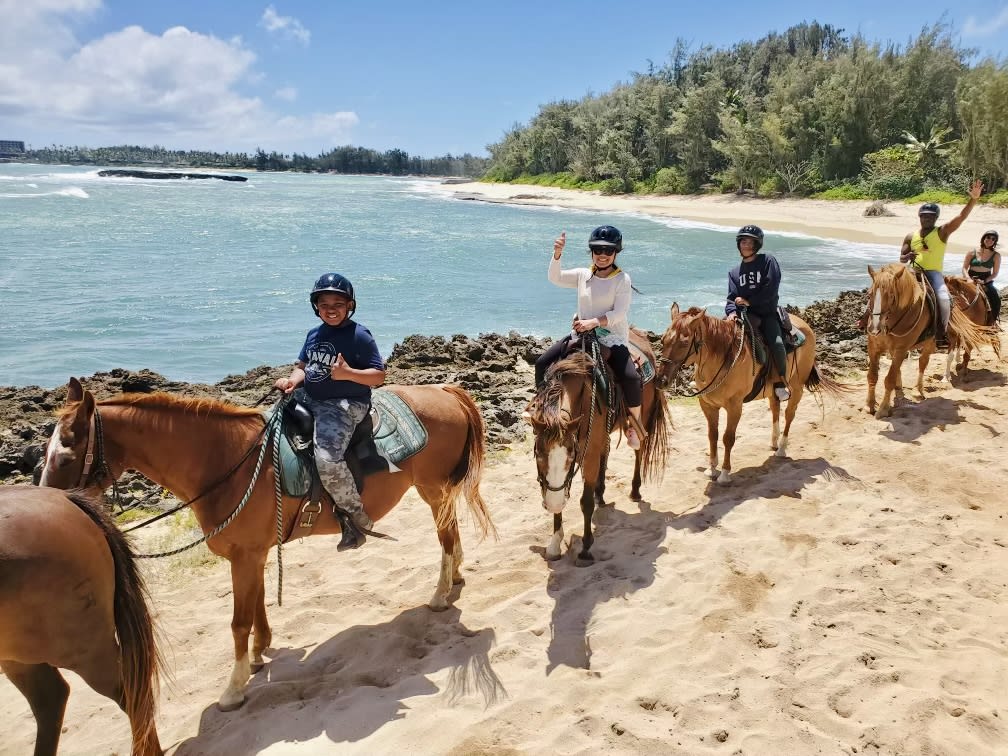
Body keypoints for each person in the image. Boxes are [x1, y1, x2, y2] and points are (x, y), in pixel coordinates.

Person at [274, 273, 386, 550]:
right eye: (324, 303)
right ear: (316, 307)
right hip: (310, 396)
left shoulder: (359, 336)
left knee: (327, 459)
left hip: (343, 404)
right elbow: (303, 367)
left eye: (338, 302)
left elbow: (378, 376)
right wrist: (291, 381)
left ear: (350, 305)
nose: (331, 308)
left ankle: (356, 518)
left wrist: (348, 374)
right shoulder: (314, 334)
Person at [534, 225, 644, 450]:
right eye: (597, 250)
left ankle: (634, 425)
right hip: (581, 336)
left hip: (611, 337)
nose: (602, 255)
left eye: (608, 251)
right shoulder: (584, 275)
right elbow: (555, 277)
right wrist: (557, 254)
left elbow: (619, 313)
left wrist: (593, 322)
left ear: (616, 253)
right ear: (592, 252)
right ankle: (542, 407)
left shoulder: (622, 279)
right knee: (542, 362)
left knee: (631, 378)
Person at [897, 179, 984, 349]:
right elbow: (902, 258)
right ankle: (873, 323)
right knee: (886, 291)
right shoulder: (910, 236)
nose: (926, 219)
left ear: (935, 218)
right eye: (924, 216)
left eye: (930, 216)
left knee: (944, 299)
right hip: (913, 272)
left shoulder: (942, 232)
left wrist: (973, 199)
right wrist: (908, 255)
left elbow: (961, 217)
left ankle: (941, 333)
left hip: (933, 274)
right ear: (919, 217)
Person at [725, 225, 791, 402]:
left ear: (757, 244)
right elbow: (731, 298)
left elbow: (771, 288)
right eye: (743, 241)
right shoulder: (734, 273)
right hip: (744, 316)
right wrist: (731, 312)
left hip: (766, 315)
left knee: (777, 343)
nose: (746, 245)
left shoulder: (768, 261)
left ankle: (780, 382)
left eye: (750, 242)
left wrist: (750, 301)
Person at [962, 229, 1001, 324]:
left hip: (985, 280)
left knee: (996, 298)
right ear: (984, 238)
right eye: (988, 237)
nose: (990, 240)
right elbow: (964, 268)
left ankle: (992, 322)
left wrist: (985, 281)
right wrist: (968, 279)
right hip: (970, 278)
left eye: (993, 239)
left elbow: (995, 273)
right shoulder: (972, 252)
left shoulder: (996, 255)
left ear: (994, 242)